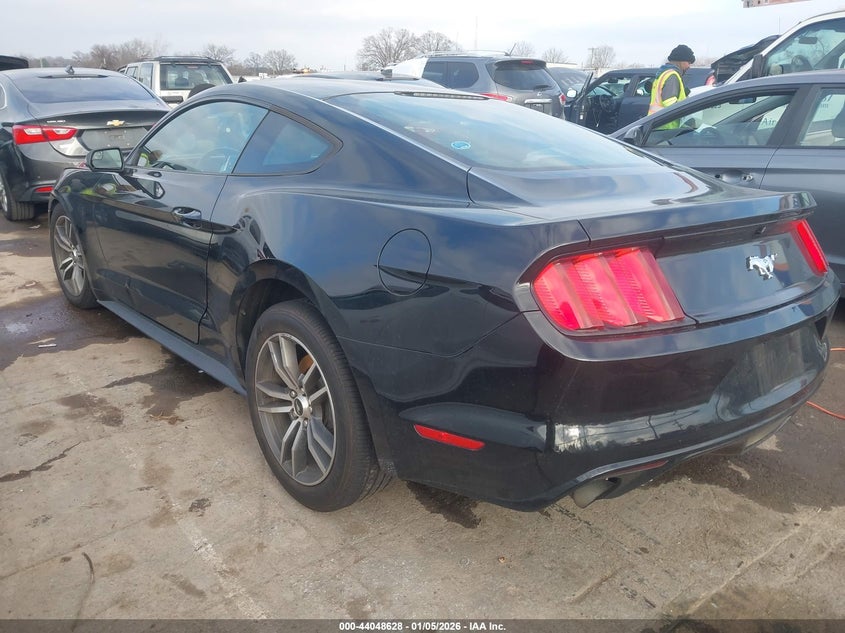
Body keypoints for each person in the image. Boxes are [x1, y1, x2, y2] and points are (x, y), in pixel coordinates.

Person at [648, 44, 696, 118]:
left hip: (657, 120)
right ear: (681, 60)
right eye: (688, 63)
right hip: (666, 123)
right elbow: (670, 104)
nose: (689, 66)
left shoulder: (663, 73)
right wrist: (688, 118)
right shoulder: (672, 76)